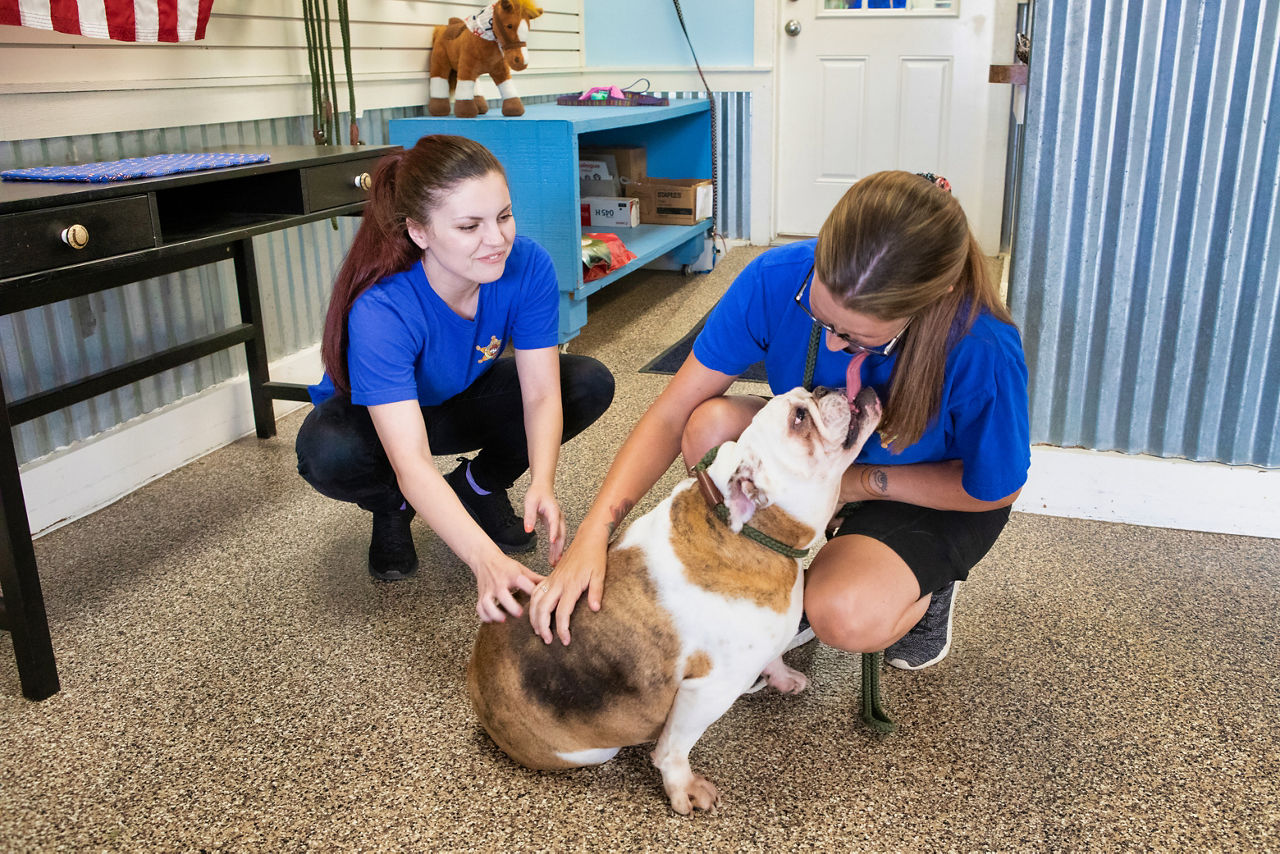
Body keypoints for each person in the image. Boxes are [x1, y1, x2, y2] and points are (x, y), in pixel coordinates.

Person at [529, 170, 1029, 673]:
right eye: (821, 320)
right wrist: (596, 532)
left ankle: (925, 586)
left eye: (857, 340)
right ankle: (762, 573)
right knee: (709, 429)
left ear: (929, 299)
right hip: (828, 459)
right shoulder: (777, 276)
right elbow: (673, 411)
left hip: (924, 490)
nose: (834, 345)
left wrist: (855, 485)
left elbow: (993, 489)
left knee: (844, 614)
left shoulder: (982, 348)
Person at [295, 134, 614, 622]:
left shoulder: (526, 265)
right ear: (420, 232)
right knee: (329, 451)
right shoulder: (382, 309)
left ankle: (479, 485)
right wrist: (485, 559)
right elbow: (413, 461)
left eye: (504, 216)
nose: (497, 239)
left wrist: (542, 482)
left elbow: (543, 393)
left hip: (459, 397)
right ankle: (393, 508)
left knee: (586, 383)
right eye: (469, 226)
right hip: (376, 424)